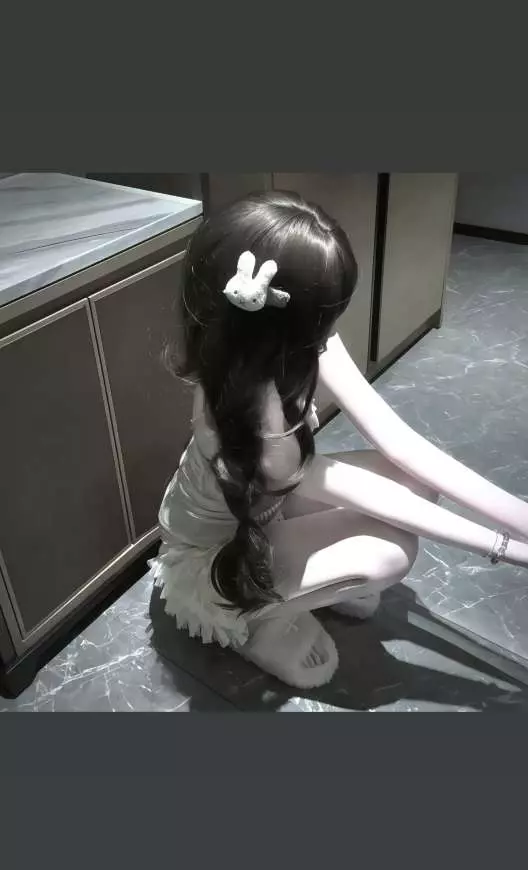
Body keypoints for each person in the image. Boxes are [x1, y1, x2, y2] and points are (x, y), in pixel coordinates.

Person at [149, 190, 528, 690]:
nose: (330, 331)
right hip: (219, 555)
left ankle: (312, 579)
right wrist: (506, 547)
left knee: (413, 484)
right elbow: (369, 495)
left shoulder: (294, 340)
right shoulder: (239, 423)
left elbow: (399, 444)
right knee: (391, 551)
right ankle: (256, 620)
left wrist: (520, 517)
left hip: (268, 509)